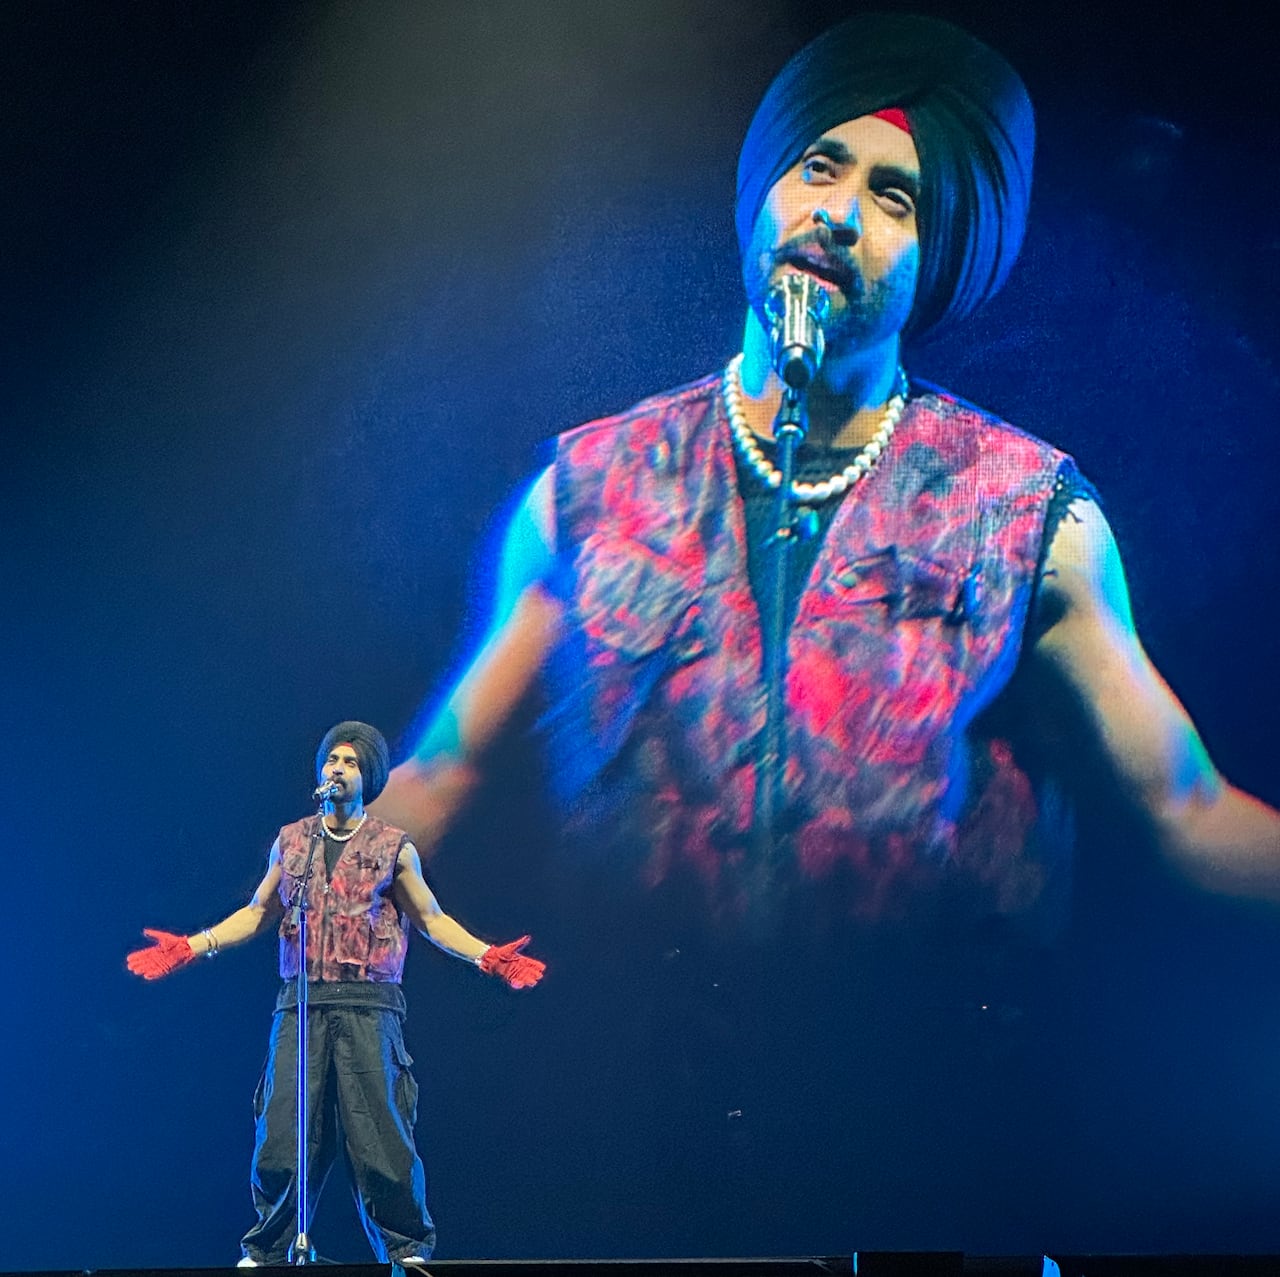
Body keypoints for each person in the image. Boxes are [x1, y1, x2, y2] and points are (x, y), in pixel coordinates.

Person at [368, 11, 1280, 1253]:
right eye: (819, 167)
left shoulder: (1026, 513)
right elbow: (442, 764)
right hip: (646, 1146)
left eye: (894, 196)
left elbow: (1181, 804)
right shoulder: (587, 488)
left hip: (923, 1155)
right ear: (763, 197)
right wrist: (308, 892)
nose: (839, 212)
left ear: (939, 253)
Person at [127, 720, 545, 1267]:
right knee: (282, 1134)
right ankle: (271, 1252)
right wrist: (191, 945)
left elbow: (432, 918)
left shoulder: (393, 848)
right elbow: (258, 913)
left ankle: (405, 1253)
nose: (337, 770)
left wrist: (489, 956)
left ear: (366, 776)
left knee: (381, 1139)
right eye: (331, 761)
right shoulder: (292, 842)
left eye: (349, 763)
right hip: (301, 1005)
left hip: (369, 1009)